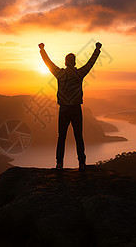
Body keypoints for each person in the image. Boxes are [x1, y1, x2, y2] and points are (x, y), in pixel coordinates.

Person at [39, 42, 102, 170]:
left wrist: (42, 50)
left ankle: (59, 163)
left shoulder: (60, 74)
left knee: (61, 137)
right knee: (79, 137)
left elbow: (48, 63)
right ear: (74, 62)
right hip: (76, 109)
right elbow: (91, 63)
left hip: (63, 109)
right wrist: (97, 49)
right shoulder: (80, 74)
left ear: (65, 62)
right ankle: (82, 163)